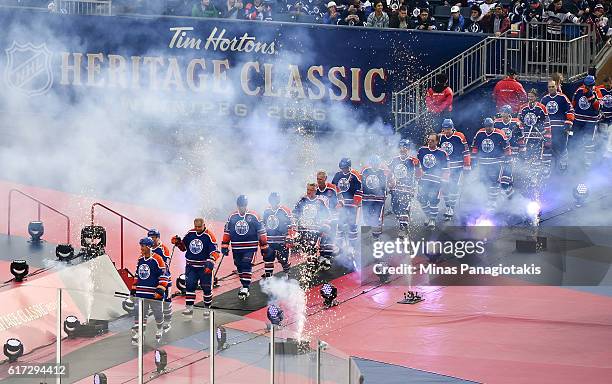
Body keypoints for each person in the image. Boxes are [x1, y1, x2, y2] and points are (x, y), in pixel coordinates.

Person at [221, 195, 268, 300]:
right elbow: (227, 231)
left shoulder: (254, 215)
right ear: (238, 205)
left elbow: (261, 231)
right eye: (241, 206)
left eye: (244, 205)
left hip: (250, 246)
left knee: (246, 264)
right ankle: (244, 284)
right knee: (239, 265)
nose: (243, 208)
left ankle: (246, 287)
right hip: (237, 247)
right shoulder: (232, 216)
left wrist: (264, 246)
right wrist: (224, 245)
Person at [172, 218, 220, 317]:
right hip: (191, 266)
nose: (197, 229)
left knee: (206, 288)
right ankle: (189, 308)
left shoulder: (209, 236)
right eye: (196, 226)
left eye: (199, 227)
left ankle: (207, 308)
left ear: (204, 225)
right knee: (189, 286)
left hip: (204, 267)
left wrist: (210, 263)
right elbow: (183, 248)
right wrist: (178, 243)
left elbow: (215, 252)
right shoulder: (190, 233)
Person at [131, 237, 169, 345]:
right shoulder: (140, 259)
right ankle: (140, 334)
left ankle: (160, 328)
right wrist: (134, 290)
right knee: (139, 314)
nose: (141, 248)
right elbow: (137, 275)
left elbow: (164, 275)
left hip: (154, 294)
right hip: (141, 293)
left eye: (143, 246)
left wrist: (161, 290)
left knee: (158, 314)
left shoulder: (158, 259)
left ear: (148, 247)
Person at [471, 118, 511, 213]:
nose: (489, 128)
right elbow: (475, 147)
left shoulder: (500, 133)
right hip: (483, 162)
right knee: (485, 182)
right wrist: (474, 160)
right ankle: (490, 200)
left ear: (493, 125)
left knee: (495, 182)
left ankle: (493, 202)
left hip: (496, 162)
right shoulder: (479, 133)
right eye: (487, 126)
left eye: (490, 126)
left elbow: (507, 147)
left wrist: (508, 158)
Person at [293, 183, 332, 270]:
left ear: (315, 191)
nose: (309, 192)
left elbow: (327, 215)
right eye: (308, 190)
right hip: (304, 230)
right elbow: (295, 213)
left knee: (312, 247)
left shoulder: (320, 202)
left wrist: (324, 226)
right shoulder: (302, 200)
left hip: (315, 229)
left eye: (311, 190)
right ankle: (312, 263)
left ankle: (313, 265)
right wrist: (296, 225)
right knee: (306, 249)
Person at [438, 119, 470, 220]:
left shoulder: (460, 136)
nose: (446, 131)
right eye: (445, 129)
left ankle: (451, 207)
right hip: (445, 167)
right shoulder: (440, 137)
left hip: (457, 166)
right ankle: (448, 207)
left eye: (448, 129)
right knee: (444, 187)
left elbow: (466, 152)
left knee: (454, 187)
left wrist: (467, 165)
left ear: (452, 128)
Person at [388, 139, 422, 236]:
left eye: (405, 147)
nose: (403, 149)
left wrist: (416, 184)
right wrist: (390, 182)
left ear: (408, 149)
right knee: (395, 208)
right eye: (401, 147)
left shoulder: (413, 161)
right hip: (395, 189)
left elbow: (419, 175)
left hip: (407, 189)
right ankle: (403, 221)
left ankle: (403, 227)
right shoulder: (394, 160)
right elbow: (387, 172)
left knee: (404, 208)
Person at [417, 134, 450, 229]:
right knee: (421, 199)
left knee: (433, 201)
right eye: (429, 140)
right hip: (423, 180)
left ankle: (432, 219)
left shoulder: (442, 153)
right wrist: (418, 174)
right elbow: (417, 164)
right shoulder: (422, 150)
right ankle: (428, 215)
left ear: (437, 142)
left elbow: (446, 169)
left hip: (436, 181)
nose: (429, 141)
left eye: (432, 140)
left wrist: (444, 181)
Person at [540, 79, 574, 171]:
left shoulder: (562, 97)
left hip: (561, 129)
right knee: (548, 148)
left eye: (553, 86)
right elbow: (541, 114)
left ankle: (563, 165)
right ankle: (549, 168)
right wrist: (541, 127)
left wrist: (568, 123)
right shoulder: (544, 99)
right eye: (549, 87)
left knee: (562, 147)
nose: (551, 88)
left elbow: (570, 110)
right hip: (549, 130)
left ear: (556, 87)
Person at [518, 89, 551, 178]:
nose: (530, 98)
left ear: (536, 97)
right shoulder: (523, 108)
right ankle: (528, 175)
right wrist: (521, 134)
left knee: (537, 155)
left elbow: (547, 122)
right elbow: (519, 122)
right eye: (529, 96)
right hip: (527, 136)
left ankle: (536, 176)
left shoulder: (541, 107)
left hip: (538, 136)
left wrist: (547, 134)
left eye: (532, 96)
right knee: (527, 155)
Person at [331, 158, 362, 254]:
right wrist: (335, 202)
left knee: (352, 226)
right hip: (341, 205)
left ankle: (353, 247)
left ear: (349, 167)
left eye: (345, 167)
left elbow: (360, 190)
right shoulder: (338, 175)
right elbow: (333, 188)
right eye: (342, 167)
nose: (343, 169)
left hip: (352, 205)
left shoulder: (355, 175)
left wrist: (356, 202)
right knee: (340, 226)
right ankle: (340, 246)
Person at [571, 75, 601, 169]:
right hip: (578, 120)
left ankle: (587, 161)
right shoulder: (579, 90)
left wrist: (590, 96)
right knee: (575, 140)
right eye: (586, 85)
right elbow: (573, 104)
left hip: (590, 122)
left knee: (588, 142)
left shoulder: (597, 91)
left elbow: (598, 106)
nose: (588, 87)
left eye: (590, 85)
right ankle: (575, 160)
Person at [262, 192, 294, 277]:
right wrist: (262, 238)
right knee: (268, 258)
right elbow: (263, 224)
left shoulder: (285, 210)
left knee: (283, 259)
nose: (273, 202)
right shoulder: (266, 211)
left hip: (282, 240)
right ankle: (268, 276)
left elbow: (291, 225)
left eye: (275, 200)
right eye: (272, 200)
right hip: (269, 240)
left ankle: (287, 273)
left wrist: (289, 236)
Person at [148, 229, 173, 333]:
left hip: (164, 280)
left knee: (166, 301)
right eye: (150, 237)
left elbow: (164, 267)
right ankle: (159, 321)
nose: (151, 239)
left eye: (153, 237)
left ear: (158, 238)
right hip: (153, 280)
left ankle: (167, 322)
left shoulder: (163, 249)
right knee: (154, 301)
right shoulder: (148, 248)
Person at [360, 155, 389, 239]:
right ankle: (371, 228)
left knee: (376, 216)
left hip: (378, 198)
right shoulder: (365, 171)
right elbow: (361, 182)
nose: (375, 164)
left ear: (379, 163)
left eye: (376, 163)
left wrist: (385, 193)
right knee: (366, 216)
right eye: (373, 163)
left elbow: (385, 185)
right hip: (366, 198)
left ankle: (376, 234)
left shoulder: (383, 172)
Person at [315, 170, 342, 247]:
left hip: (332, 216)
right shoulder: (315, 188)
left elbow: (341, 198)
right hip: (319, 217)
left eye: (320, 179)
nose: (318, 181)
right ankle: (320, 255)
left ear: (325, 178)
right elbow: (309, 198)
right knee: (319, 236)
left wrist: (340, 204)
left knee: (331, 237)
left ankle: (331, 254)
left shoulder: (333, 188)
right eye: (317, 179)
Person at [595, 75, 612, 159]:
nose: (606, 87)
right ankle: (601, 154)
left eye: (608, 85)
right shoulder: (600, 90)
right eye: (605, 85)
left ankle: (608, 154)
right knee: (602, 136)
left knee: (610, 136)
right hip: (603, 118)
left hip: (611, 119)